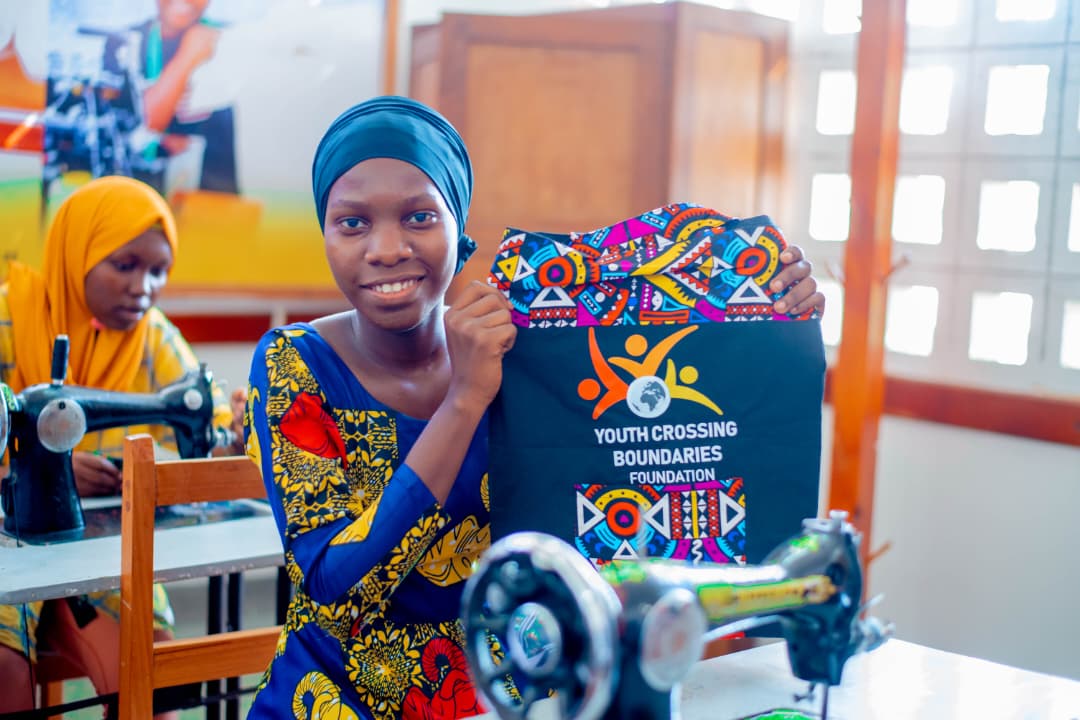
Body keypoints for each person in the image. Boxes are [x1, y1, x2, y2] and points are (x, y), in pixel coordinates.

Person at [244, 96, 824, 719]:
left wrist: (769, 321)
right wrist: (466, 400)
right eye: (352, 222)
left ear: (458, 227)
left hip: (511, 697)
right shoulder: (295, 365)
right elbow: (339, 591)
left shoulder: (531, 349)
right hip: (336, 699)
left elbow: (667, 451)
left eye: (418, 217)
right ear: (325, 233)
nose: (386, 248)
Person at [0, 175, 244, 715]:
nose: (144, 287)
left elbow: (208, 427)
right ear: (76, 251)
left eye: (159, 271)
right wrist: (33, 475)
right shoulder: (7, 319)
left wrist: (231, 438)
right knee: (5, 672)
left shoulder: (152, 336)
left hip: (108, 551)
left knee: (157, 670)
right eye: (125, 265)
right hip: (4, 547)